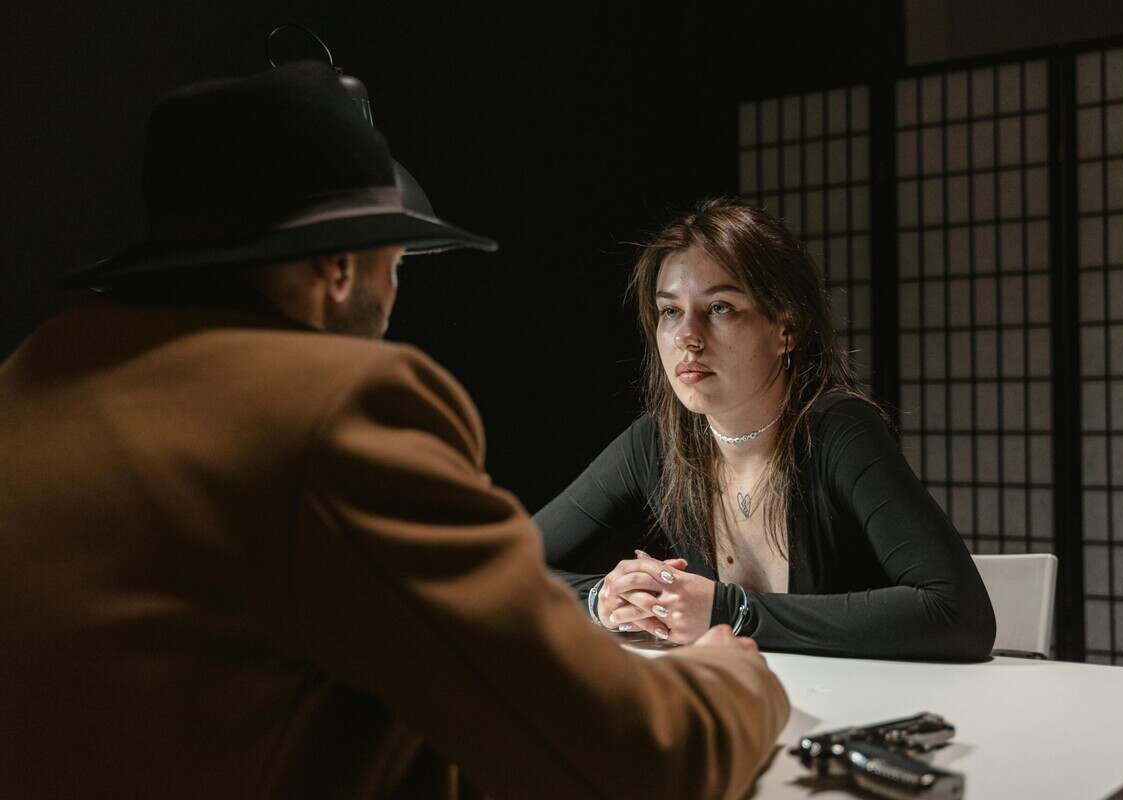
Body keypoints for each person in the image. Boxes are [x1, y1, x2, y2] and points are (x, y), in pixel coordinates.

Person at [0, 63, 790, 799]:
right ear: (338, 269)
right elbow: (624, 753)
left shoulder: (34, 376)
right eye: (396, 261)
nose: (396, 290)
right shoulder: (331, 407)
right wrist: (735, 677)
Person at [536, 198, 997, 661]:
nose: (687, 337)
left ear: (785, 328)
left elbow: (961, 615)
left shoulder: (838, 432)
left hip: (863, 713)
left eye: (719, 308)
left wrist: (730, 611)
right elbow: (500, 567)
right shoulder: (656, 442)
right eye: (670, 311)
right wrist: (601, 600)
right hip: (739, 706)